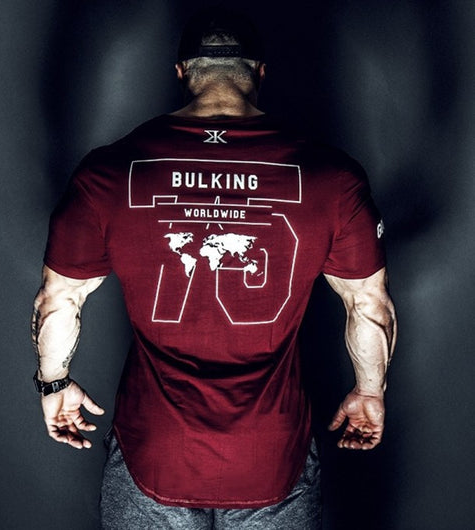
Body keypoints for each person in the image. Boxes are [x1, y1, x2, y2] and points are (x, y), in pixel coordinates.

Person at [32, 8, 397, 530]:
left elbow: (58, 300)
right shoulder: (332, 178)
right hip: (272, 453)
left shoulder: (108, 172)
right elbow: (369, 306)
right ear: (261, 73)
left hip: (154, 450)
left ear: (181, 72)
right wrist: (369, 391)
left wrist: (53, 383)